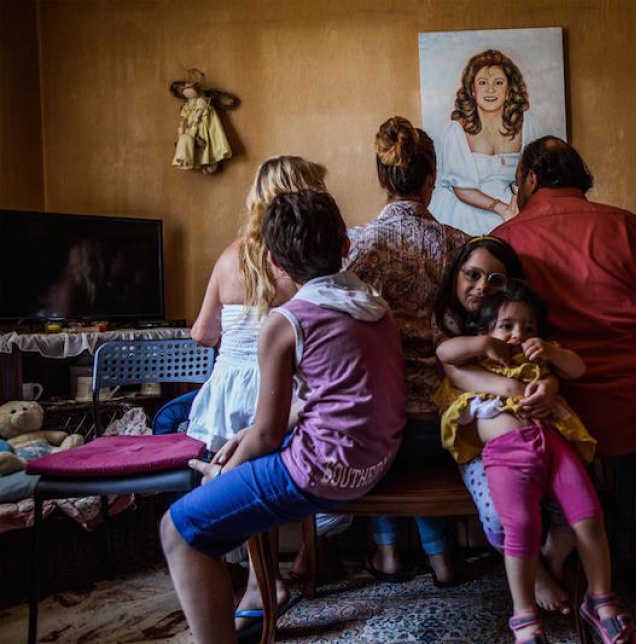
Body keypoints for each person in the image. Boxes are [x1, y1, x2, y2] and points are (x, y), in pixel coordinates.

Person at [160, 189, 406, 644]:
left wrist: (220, 474)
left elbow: (267, 435)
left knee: (179, 529)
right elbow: (333, 399)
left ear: (273, 261)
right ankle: (259, 589)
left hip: (323, 472)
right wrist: (248, 439)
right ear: (345, 246)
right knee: (242, 447)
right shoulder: (375, 305)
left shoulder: (286, 321)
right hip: (375, 461)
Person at [494, 136, 636, 579]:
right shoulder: (634, 228)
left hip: (556, 405)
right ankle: (632, 545)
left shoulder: (505, 240)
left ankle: (552, 546)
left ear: (531, 179)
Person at [186, 155, 344, 635]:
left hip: (229, 393)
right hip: (280, 389)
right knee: (271, 467)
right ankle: (267, 578)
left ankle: (260, 577)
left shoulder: (228, 257)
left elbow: (200, 333)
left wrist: (234, 338)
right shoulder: (299, 261)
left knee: (239, 475)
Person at [436, 279, 636, 643]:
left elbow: (577, 368)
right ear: (485, 330)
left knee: (590, 514)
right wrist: (484, 343)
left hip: (552, 444)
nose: (518, 335)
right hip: (506, 453)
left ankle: (601, 601)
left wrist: (549, 351)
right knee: (521, 526)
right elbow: (445, 353)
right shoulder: (477, 361)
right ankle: (524, 616)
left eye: (528, 327)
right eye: (507, 326)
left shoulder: (538, 360)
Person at [343, 116, 468, 586]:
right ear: (431, 179)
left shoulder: (356, 247)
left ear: (380, 177)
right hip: (446, 419)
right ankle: (442, 558)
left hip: (380, 421)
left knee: (382, 428)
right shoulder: (459, 248)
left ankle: (389, 552)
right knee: (418, 451)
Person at [433, 236, 576, 613]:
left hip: (536, 435)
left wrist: (549, 384)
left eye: (495, 280)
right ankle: (539, 577)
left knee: (571, 503)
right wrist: (512, 386)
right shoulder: (450, 328)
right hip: (482, 444)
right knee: (502, 512)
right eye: (473, 275)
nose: (482, 287)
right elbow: (456, 370)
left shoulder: (519, 326)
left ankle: (550, 560)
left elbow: (552, 367)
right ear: (457, 275)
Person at [430, 49, 544, 236]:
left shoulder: (527, 124)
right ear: (473, 90)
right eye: (483, 83)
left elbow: (534, 175)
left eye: (498, 83)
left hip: (516, 209)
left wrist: (515, 204)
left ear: (508, 90)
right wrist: (501, 209)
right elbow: (461, 189)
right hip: (467, 212)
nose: (490, 90)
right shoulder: (456, 130)